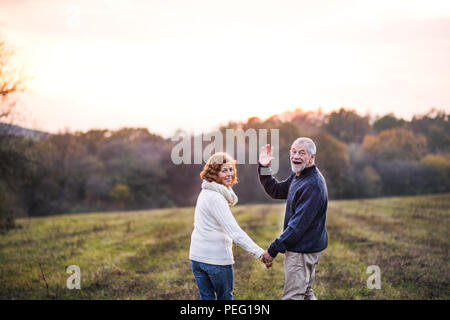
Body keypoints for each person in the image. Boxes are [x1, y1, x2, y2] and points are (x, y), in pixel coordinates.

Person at [189, 152, 269, 300]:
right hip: (215, 260)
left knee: (206, 298)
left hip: (197, 258)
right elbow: (235, 232)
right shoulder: (216, 197)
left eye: (231, 169)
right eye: (224, 170)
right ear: (214, 173)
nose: (229, 174)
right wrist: (259, 253)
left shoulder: (205, 191)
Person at [258, 137, 328, 300]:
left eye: (302, 153)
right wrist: (264, 167)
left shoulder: (312, 185)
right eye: (293, 151)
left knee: (293, 296)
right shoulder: (299, 175)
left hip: (303, 251)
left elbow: (297, 227)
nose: (296, 156)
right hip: (306, 248)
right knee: (305, 293)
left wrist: (273, 250)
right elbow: (276, 190)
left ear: (312, 157)